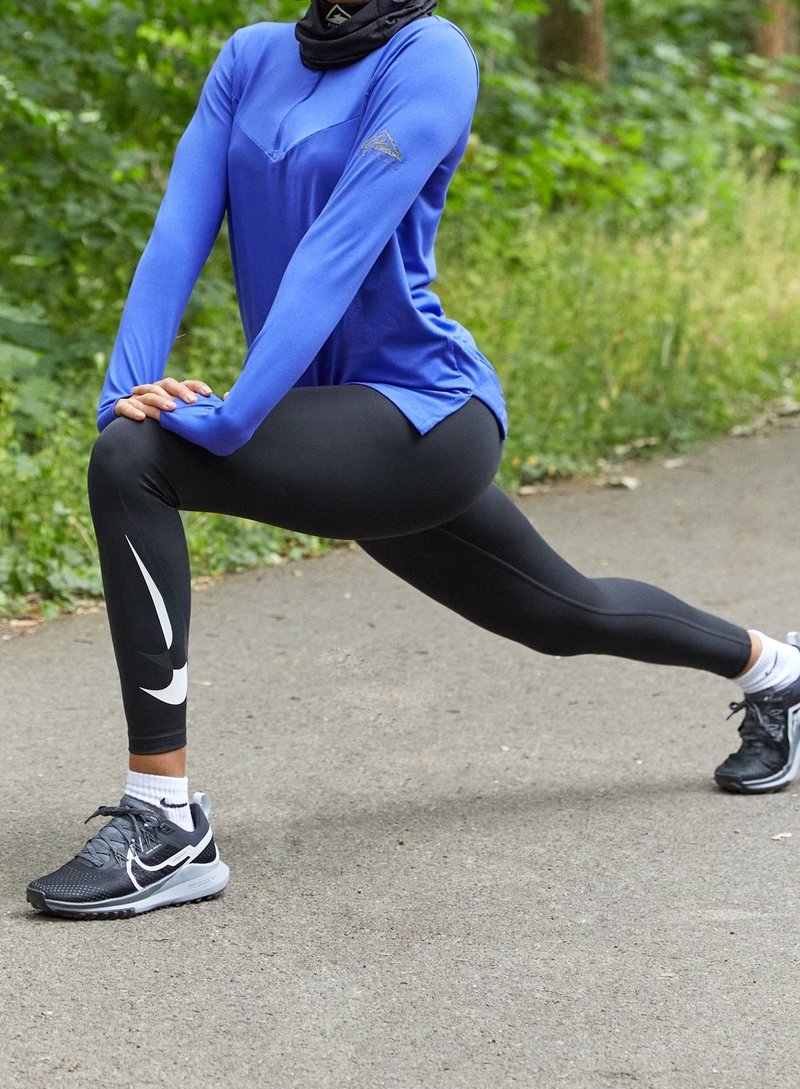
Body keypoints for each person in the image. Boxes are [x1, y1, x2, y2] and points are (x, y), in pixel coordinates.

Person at [26, 0, 800, 919]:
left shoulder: (430, 57)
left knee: (134, 463)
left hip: (425, 418)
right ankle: (777, 671)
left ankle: (165, 822)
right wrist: (125, 387)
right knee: (562, 611)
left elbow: (334, 253)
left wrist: (232, 418)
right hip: (331, 421)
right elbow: (177, 233)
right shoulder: (249, 58)